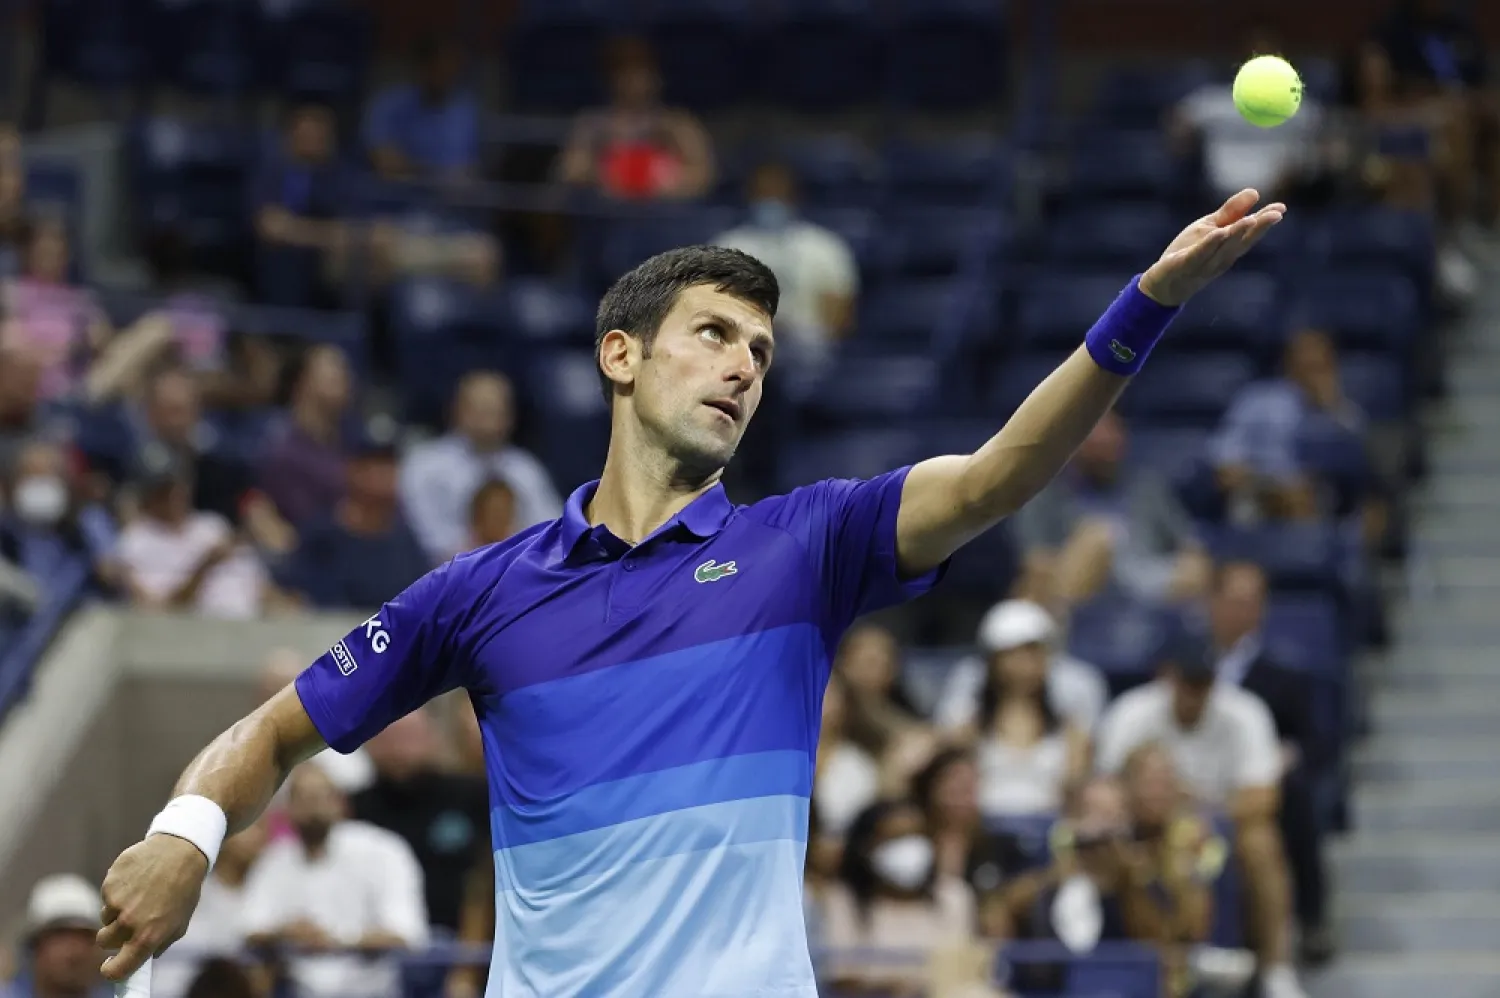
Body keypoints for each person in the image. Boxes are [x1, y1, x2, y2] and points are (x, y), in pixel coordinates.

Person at [96, 188, 1285, 998]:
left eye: (761, 353)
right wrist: (183, 837)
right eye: (714, 334)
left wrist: (1148, 306)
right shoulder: (478, 591)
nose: (741, 366)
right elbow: (273, 730)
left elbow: (997, 475)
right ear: (623, 355)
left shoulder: (803, 545)